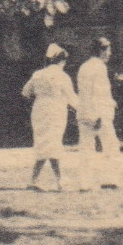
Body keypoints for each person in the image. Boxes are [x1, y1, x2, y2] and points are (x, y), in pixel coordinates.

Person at [21, 45, 76, 192]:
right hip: (56, 111)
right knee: (52, 144)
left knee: (44, 144)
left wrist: (39, 98)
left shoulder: (38, 74)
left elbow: (25, 92)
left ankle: (34, 180)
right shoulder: (63, 76)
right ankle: (60, 180)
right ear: (61, 60)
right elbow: (72, 99)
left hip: (39, 110)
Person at [73, 37, 120, 191]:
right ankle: (110, 179)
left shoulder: (84, 66)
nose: (110, 54)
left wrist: (110, 101)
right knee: (111, 146)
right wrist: (97, 115)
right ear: (101, 50)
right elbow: (97, 93)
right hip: (99, 114)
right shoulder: (99, 67)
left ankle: (85, 183)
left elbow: (85, 92)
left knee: (86, 148)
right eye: (108, 50)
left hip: (84, 113)